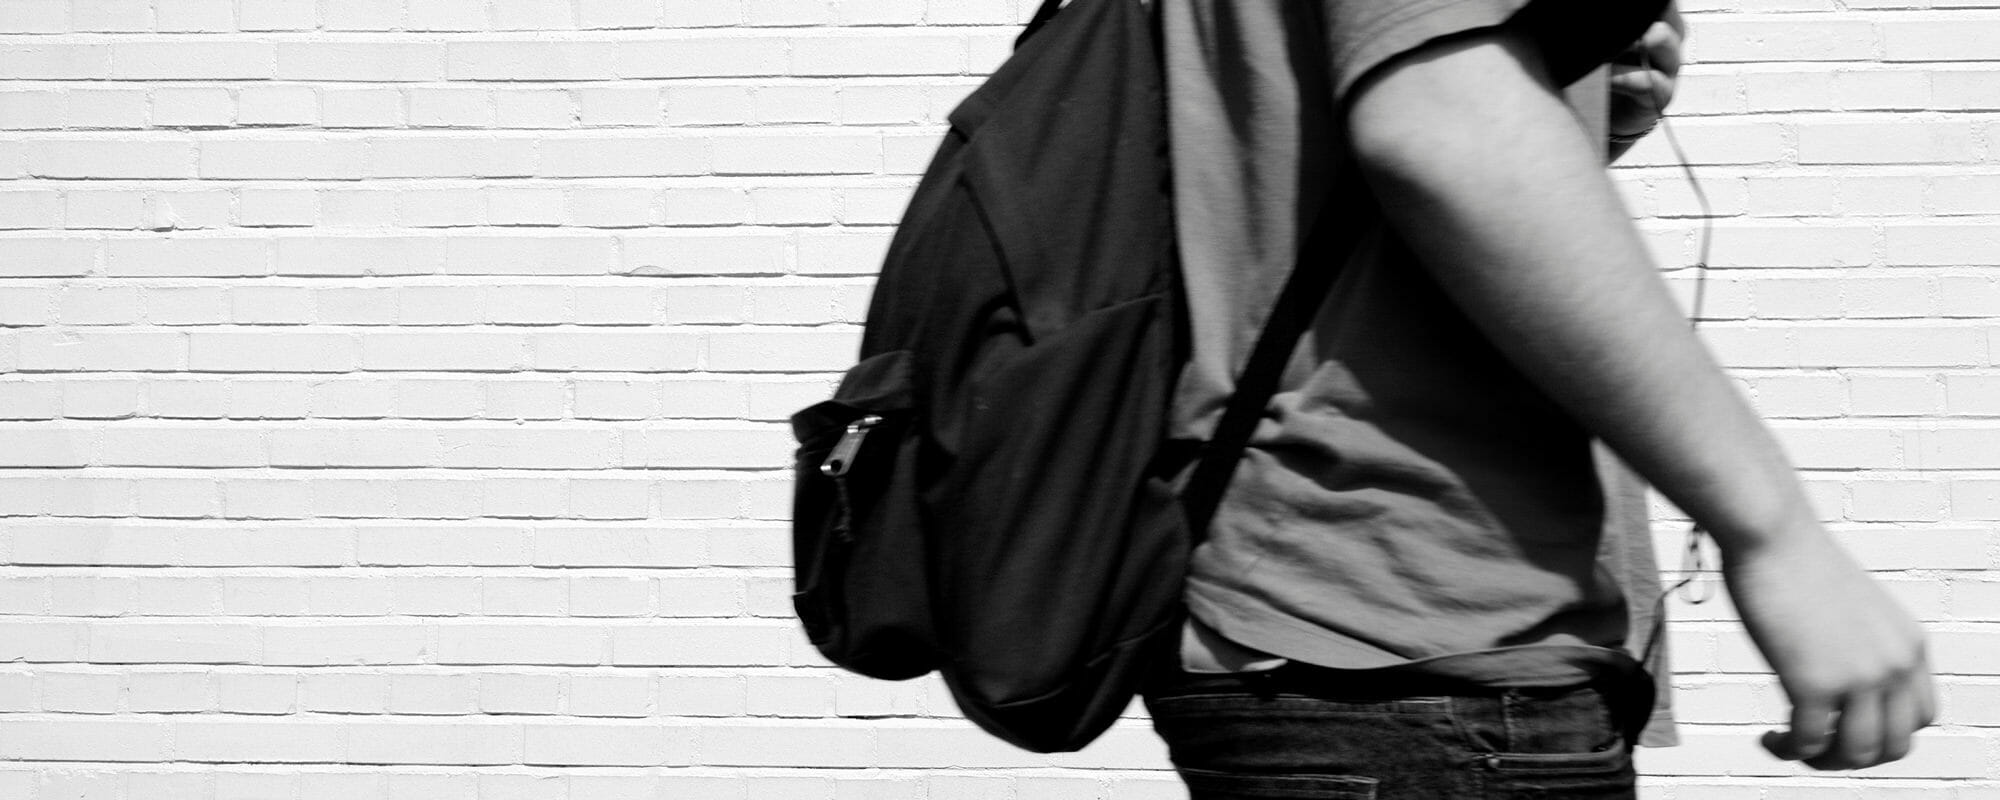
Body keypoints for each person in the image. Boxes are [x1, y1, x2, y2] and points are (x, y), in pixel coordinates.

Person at [1141, 1, 1936, 796]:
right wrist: (1778, 536)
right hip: (1408, 634)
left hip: (1364, 632)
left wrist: (1573, 114)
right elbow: (1445, 126)